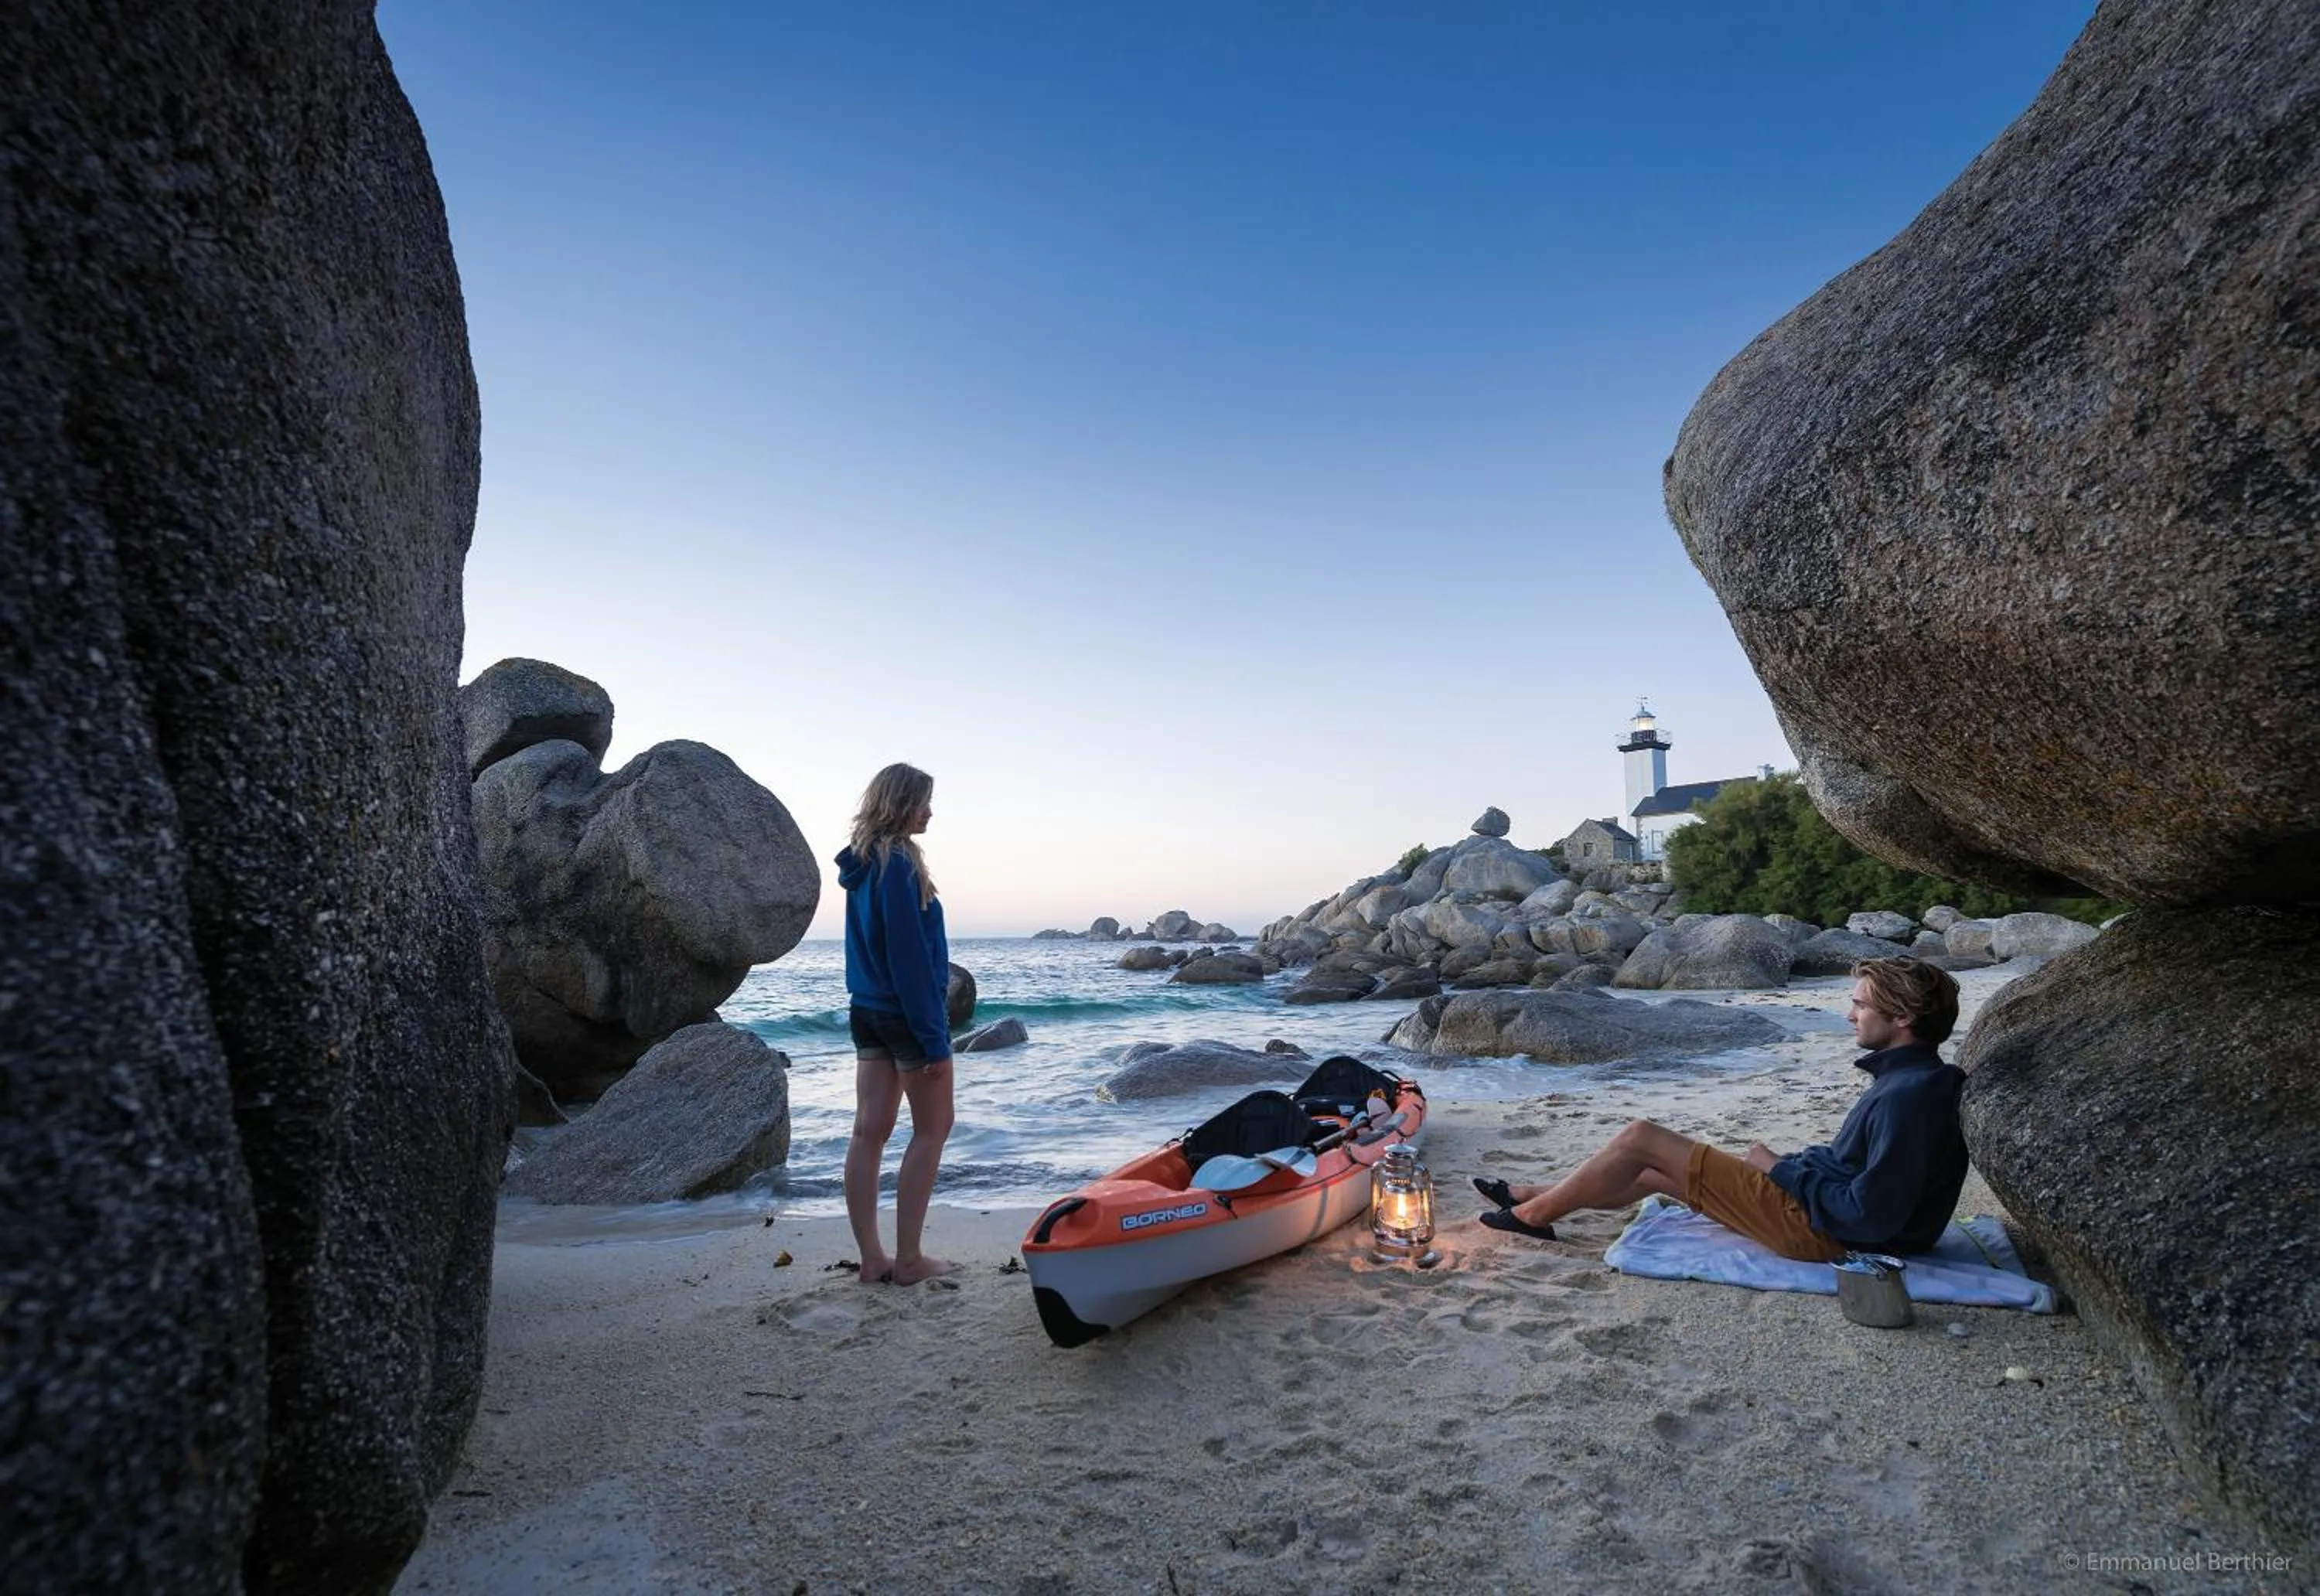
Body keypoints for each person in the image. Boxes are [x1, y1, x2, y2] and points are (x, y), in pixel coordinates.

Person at [1472, 957, 1968, 1260]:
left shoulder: (1909, 1097)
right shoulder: (1916, 1080)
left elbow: (1871, 1218)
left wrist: (1779, 1171)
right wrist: (1793, 1169)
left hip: (1826, 1236)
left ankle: (1531, 1216)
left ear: (1902, 1016)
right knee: (1657, 1175)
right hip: (1823, 1218)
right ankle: (1529, 1195)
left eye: (1860, 1005)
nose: (1849, 1014)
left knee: (1642, 1137)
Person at [834, 762, 957, 1285]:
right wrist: (932, 1037)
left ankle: (872, 1260)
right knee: (933, 1129)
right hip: (906, 1017)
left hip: (867, 1010)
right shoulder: (898, 866)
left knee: (869, 1132)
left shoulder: (862, 865)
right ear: (901, 803)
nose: (930, 811)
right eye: (924, 801)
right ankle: (907, 1261)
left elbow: (867, 949)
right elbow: (908, 957)